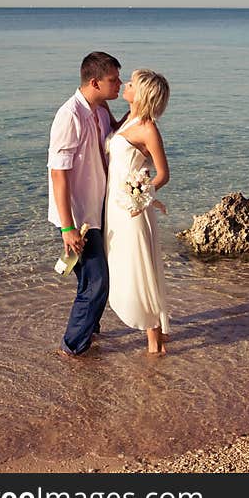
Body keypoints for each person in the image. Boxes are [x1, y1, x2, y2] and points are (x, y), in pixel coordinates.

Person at [48, 51, 123, 356]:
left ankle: (90, 332)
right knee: (97, 283)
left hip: (99, 210)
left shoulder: (100, 110)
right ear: (95, 82)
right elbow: (58, 174)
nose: (119, 84)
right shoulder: (69, 115)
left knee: (90, 281)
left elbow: (119, 138)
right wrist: (67, 227)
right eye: (113, 80)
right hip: (79, 216)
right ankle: (72, 347)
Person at [104, 69, 171, 354]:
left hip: (133, 213)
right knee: (121, 267)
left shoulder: (147, 128)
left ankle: (154, 343)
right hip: (114, 207)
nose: (125, 85)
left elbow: (163, 174)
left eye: (131, 84)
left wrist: (141, 194)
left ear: (142, 93)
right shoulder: (127, 119)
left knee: (138, 271)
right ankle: (154, 337)